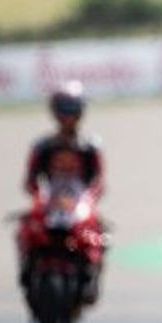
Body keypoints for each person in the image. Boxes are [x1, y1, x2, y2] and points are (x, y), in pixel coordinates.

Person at [17, 81, 105, 303]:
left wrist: (89, 198)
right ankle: (27, 271)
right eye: (64, 108)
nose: (68, 114)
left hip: (78, 203)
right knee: (26, 228)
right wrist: (39, 196)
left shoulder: (89, 146)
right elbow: (30, 179)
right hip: (51, 200)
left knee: (97, 236)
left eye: (72, 108)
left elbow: (98, 181)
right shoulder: (43, 146)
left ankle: (91, 280)